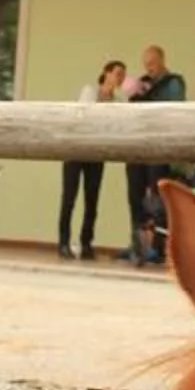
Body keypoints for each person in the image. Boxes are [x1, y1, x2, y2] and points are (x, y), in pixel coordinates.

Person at [121, 43, 187, 267]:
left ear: (162, 60)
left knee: (157, 199)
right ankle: (137, 245)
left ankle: (158, 247)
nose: (148, 68)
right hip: (138, 149)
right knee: (135, 197)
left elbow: (175, 111)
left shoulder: (174, 83)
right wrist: (134, 94)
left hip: (159, 148)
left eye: (152, 63)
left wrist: (148, 96)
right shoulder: (142, 82)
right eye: (146, 64)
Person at [59, 58, 123, 261]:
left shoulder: (117, 103)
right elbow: (85, 116)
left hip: (96, 153)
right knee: (69, 198)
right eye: (117, 73)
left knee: (92, 200)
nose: (120, 78)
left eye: (122, 75)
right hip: (76, 150)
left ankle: (86, 243)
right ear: (106, 73)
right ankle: (63, 243)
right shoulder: (90, 92)